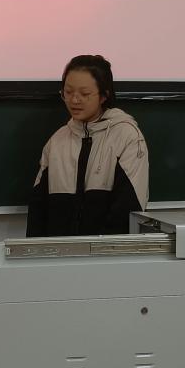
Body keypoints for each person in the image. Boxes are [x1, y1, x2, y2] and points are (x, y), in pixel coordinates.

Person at [26, 54, 148, 237]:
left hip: (107, 251)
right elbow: (38, 210)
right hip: (59, 252)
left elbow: (128, 208)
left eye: (84, 94)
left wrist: (96, 251)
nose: (74, 100)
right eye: (68, 92)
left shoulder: (127, 137)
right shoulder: (57, 141)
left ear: (104, 95)